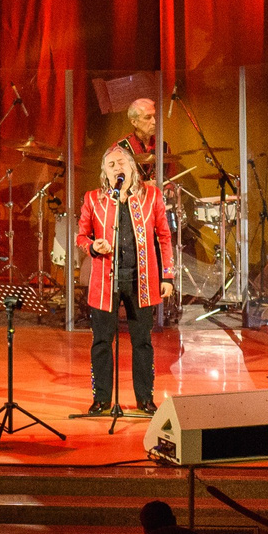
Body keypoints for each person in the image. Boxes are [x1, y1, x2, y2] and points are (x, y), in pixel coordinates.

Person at [75, 144, 176, 417]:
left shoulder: (152, 196)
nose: (117, 168)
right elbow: (81, 237)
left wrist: (167, 276)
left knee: (142, 342)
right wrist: (94, 246)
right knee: (102, 342)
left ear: (132, 167)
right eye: (111, 165)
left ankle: (145, 398)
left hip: (141, 281)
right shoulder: (93, 199)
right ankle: (102, 399)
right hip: (105, 284)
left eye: (121, 163)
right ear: (104, 174)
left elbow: (164, 238)